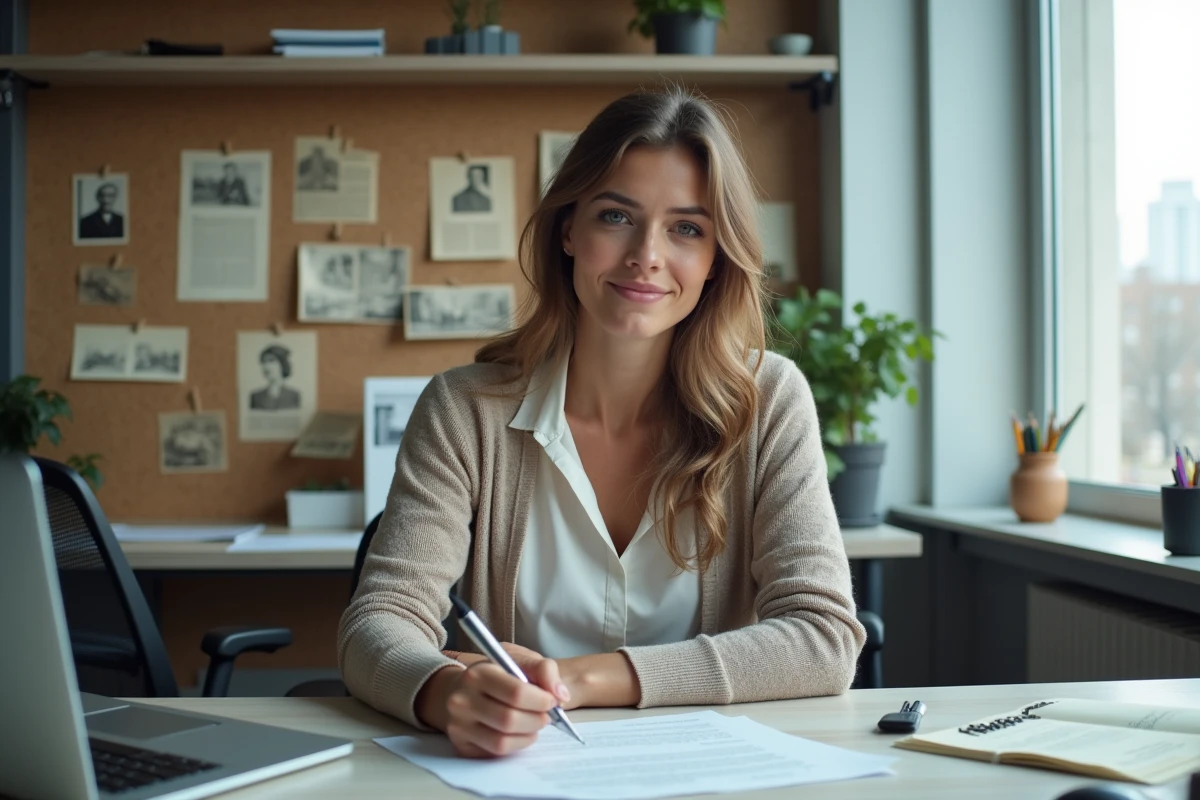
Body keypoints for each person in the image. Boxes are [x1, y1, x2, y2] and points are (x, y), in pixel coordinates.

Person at [338, 88, 865, 759]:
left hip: (706, 775)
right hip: (514, 775)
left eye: (687, 228)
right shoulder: (463, 410)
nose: (646, 254)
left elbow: (822, 638)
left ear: (715, 260)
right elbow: (377, 623)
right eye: (617, 216)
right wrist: (447, 693)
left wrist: (580, 680)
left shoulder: (769, 402)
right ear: (568, 229)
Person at [249, 345, 301, 411]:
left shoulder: (294, 395)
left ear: (282, 364)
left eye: (271, 361)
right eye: (264, 362)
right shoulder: (255, 396)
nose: (266, 366)